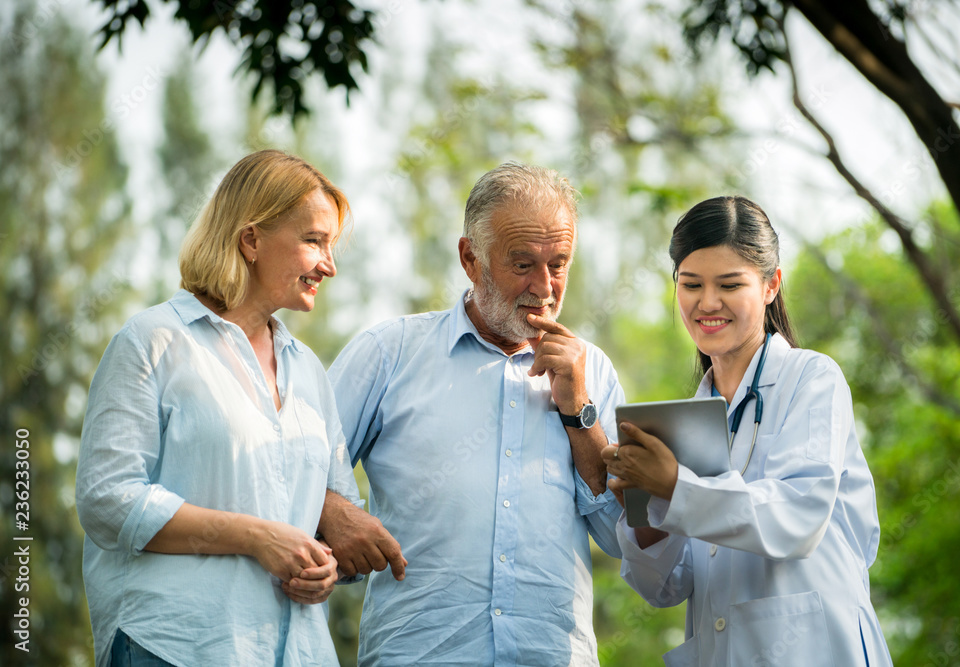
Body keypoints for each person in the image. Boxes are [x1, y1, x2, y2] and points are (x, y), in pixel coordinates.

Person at [325, 162, 626, 666]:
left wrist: (579, 411)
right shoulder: (388, 353)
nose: (545, 287)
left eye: (559, 263)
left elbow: (622, 537)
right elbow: (297, 471)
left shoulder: (591, 369)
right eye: (522, 263)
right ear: (470, 258)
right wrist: (333, 507)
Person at [76, 150, 367, 666]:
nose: (330, 264)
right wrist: (255, 537)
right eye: (313, 241)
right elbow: (108, 499)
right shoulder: (152, 342)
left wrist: (325, 567)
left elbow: (332, 519)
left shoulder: (310, 373)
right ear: (251, 240)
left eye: (330, 244)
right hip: (174, 648)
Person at [602, 195, 892, 666]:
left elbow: (797, 519)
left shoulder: (813, 379)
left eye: (729, 284)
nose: (707, 302)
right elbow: (664, 588)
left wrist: (674, 485)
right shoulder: (683, 420)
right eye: (691, 284)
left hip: (816, 648)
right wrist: (643, 510)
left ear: (772, 285)